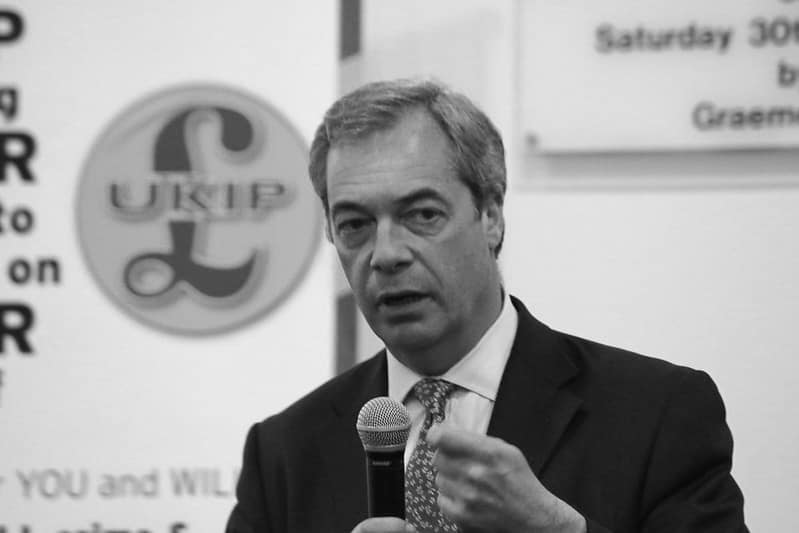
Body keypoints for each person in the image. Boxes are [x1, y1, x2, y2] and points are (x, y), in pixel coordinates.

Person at [226, 79, 747, 533]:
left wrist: (556, 530)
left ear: (491, 215)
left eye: (422, 214)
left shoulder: (657, 413)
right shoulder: (284, 452)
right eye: (355, 225)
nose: (384, 254)